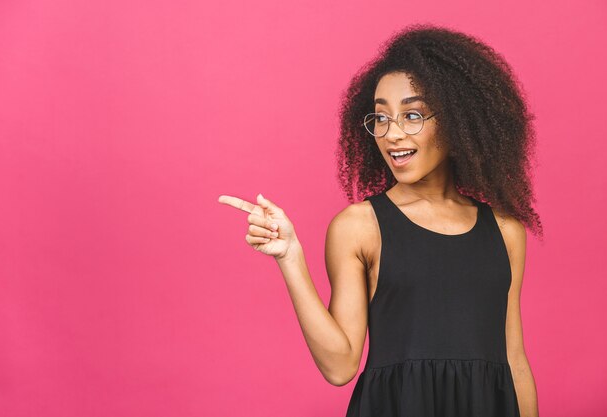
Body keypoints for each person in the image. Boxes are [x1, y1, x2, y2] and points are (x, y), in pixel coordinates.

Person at [218, 23, 540, 417]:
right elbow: (339, 367)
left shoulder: (505, 231)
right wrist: (290, 257)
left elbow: (515, 360)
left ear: (458, 120)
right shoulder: (360, 227)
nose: (391, 134)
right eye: (381, 118)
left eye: (413, 115)